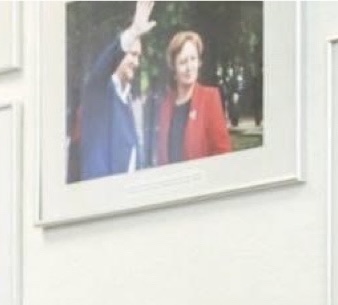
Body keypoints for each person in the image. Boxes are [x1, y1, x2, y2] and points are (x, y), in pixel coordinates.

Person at [73, 0, 154, 182]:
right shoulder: (99, 91)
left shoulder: (127, 98)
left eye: (138, 57)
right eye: (132, 54)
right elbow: (102, 68)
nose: (136, 62)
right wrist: (133, 32)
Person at [147, 29, 232, 167]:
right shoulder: (165, 105)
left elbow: (222, 152)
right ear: (174, 67)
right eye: (183, 62)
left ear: (199, 62)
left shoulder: (210, 98)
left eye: (193, 59)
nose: (189, 67)